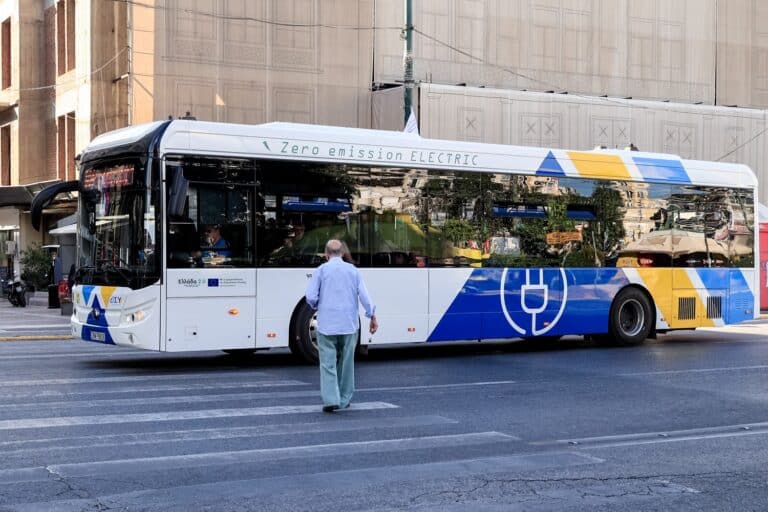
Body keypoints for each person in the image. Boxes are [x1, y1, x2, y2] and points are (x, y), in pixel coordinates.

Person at [305, 239, 377, 412]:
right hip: (349, 324)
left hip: (327, 324)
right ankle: (344, 399)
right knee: (346, 362)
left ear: (326, 254)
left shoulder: (321, 271)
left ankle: (331, 399)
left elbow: (311, 297)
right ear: (343, 253)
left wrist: (318, 305)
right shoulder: (353, 271)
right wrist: (372, 315)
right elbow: (365, 297)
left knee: (327, 362)